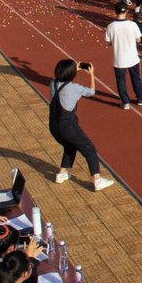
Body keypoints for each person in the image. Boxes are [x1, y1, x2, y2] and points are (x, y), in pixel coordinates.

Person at [49, 59, 115, 191]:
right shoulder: (73, 88)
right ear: (71, 74)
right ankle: (97, 180)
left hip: (54, 126)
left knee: (69, 146)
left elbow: (63, 78)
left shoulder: (52, 83)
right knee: (89, 149)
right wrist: (91, 74)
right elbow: (91, 92)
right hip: (68, 126)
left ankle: (61, 174)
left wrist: (73, 69)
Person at [105, 2, 142, 108]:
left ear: (115, 12)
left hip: (119, 59)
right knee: (136, 79)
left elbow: (109, 42)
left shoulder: (110, 26)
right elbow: (138, 40)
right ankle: (140, 98)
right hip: (132, 58)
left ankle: (125, 102)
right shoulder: (133, 25)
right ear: (127, 11)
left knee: (121, 81)